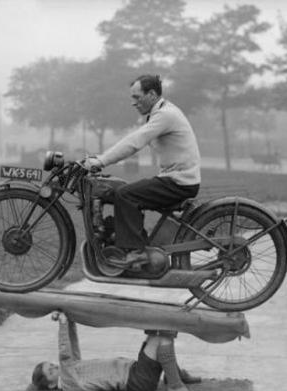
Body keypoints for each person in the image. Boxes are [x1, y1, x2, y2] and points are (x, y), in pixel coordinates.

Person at [83, 74, 201, 267]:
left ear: (152, 94)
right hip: (175, 178)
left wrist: (100, 161)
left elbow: (134, 143)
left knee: (125, 195)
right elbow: (133, 140)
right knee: (115, 191)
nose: (133, 103)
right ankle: (129, 240)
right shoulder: (160, 113)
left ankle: (136, 252)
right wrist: (98, 158)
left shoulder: (165, 115)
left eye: (137, 97)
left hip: (179, 182)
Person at [32, 311, 205, 391]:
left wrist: (68, 320)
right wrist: (62, 324)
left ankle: (173, 375)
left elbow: (71, 345)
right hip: (138, 381)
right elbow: (64, 356)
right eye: (51, 371)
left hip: (136, 372)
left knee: (158, 330)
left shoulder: (72, 371)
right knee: (163, 337)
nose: (55, 366)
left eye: (51, 365)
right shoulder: (69, 383)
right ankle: (175, 385)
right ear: (51, 385)